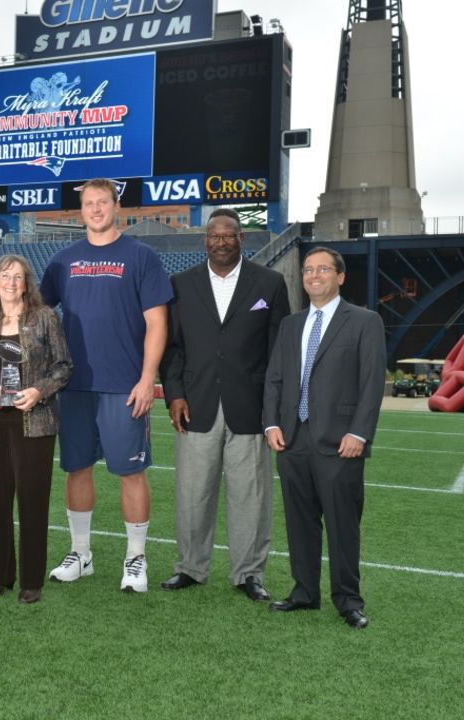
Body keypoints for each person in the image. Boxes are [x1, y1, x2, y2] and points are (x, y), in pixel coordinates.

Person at [40, 178, 172, 592]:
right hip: (73, 386)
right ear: (80, 211)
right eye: (88, 203)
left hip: (124, 386)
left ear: (117, 206)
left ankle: (136, 558)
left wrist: (148, 378)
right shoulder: (62, 260)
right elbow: (39, 315)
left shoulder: (141, 256)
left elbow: (157, 322)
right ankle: (82, 553)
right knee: (76, 468)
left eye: (102, 202)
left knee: (130, 472)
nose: (95, 209)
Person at [160, 209, 289, 601]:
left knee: (250, 494)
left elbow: (278, 352)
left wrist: (272, 409)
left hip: (249, 407)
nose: (220, 241)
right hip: (196, 405)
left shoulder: (270, 282)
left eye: (228, 235)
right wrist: (175, 394)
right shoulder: (180, 284)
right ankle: (190, 567)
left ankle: (249, 573)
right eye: (213, 235)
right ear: (205, 241)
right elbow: (173, 348)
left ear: (241, 239)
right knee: (192, 493)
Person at [263, 247, 386, 629]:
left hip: (340, 442)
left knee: (342, 524)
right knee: (300, 522)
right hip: (293, 439)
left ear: (340, 276)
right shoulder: (290, 325)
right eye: (308, 270)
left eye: (323, 269)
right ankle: (304, 591)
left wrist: (359, 432)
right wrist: (271, 424)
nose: (314, 275)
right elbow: (275, 378)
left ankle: (348, 599)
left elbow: (371, 381)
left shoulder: (365, 321)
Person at [0, 255, 72, 604]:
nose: (11, 283)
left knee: (32, 501)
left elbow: (63, 367)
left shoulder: (44, 318)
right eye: (4, 276)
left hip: (35, 421)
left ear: (27, 283)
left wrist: (39, 391)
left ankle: (31, 581)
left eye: (18, 277)